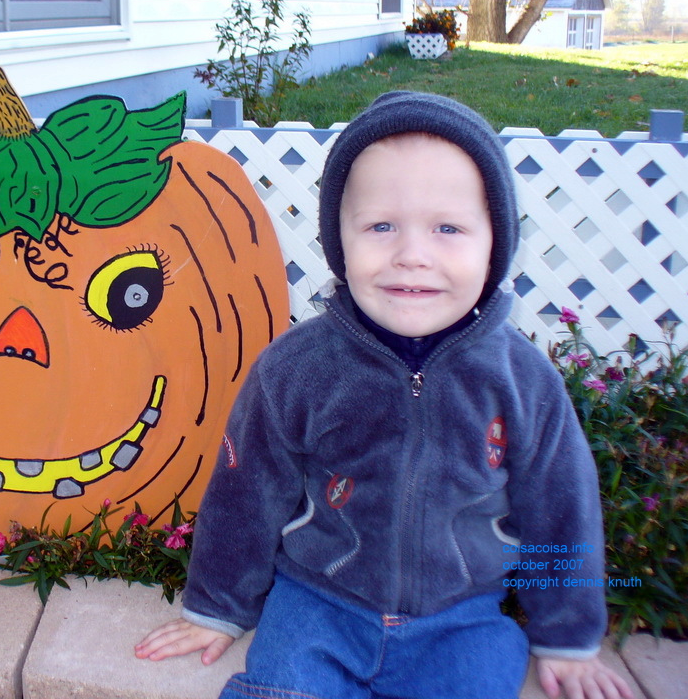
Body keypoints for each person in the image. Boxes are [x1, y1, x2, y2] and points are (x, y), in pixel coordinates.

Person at [136, 91, 634, 699]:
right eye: (381, 226)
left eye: (448, 228)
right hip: (317, 606)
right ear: (339, 241)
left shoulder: (523, 381)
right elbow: (246, 494)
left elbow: (562, 508)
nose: (412, 255)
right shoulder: (295, 370)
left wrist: (567, 636)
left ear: (493, 244)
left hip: (462, 618)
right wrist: (216, 608)